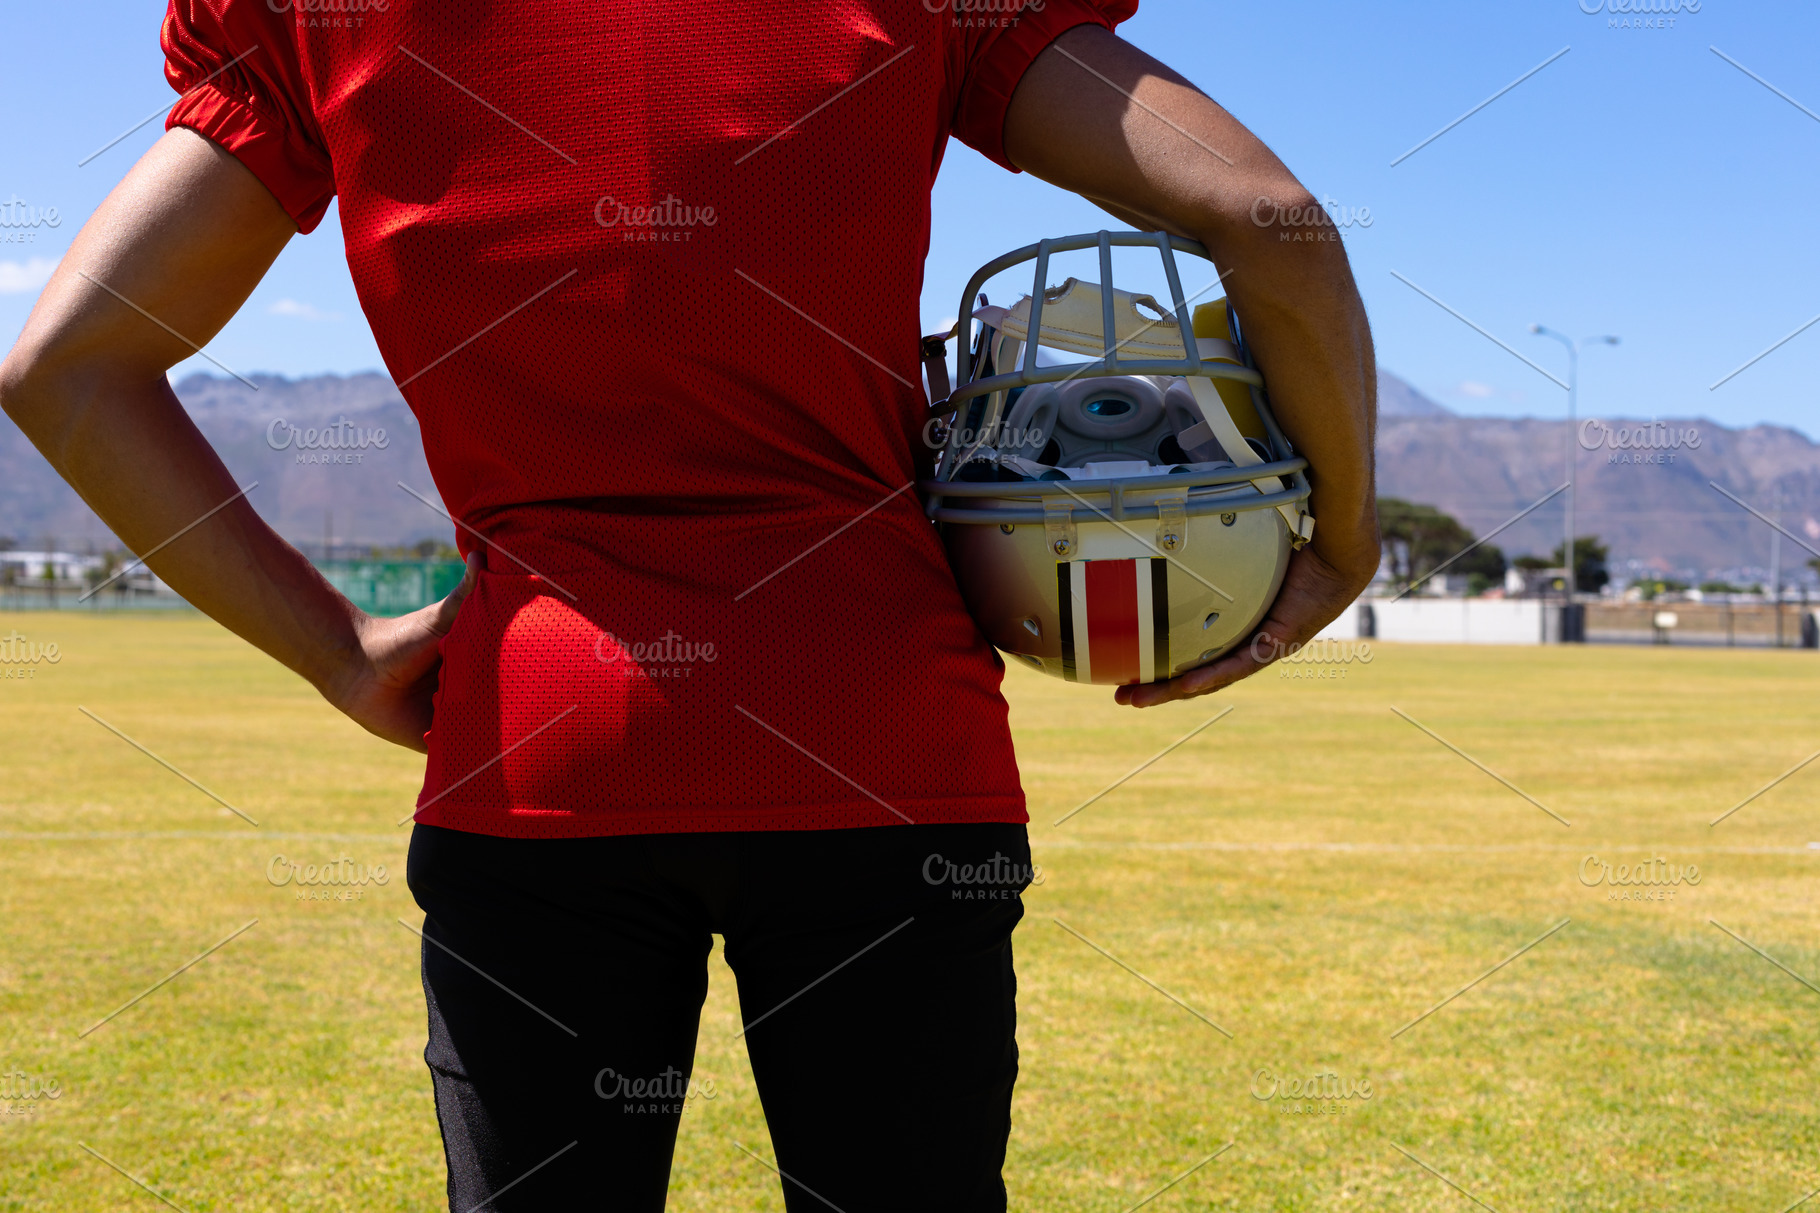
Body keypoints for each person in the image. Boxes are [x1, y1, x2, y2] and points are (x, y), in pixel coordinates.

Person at [0, 2, 1377, 1208]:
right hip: (883, 746)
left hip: (540, 746)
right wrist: (1347, 541)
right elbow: (1270, 216)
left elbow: (65, 369)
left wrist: (341, 655)